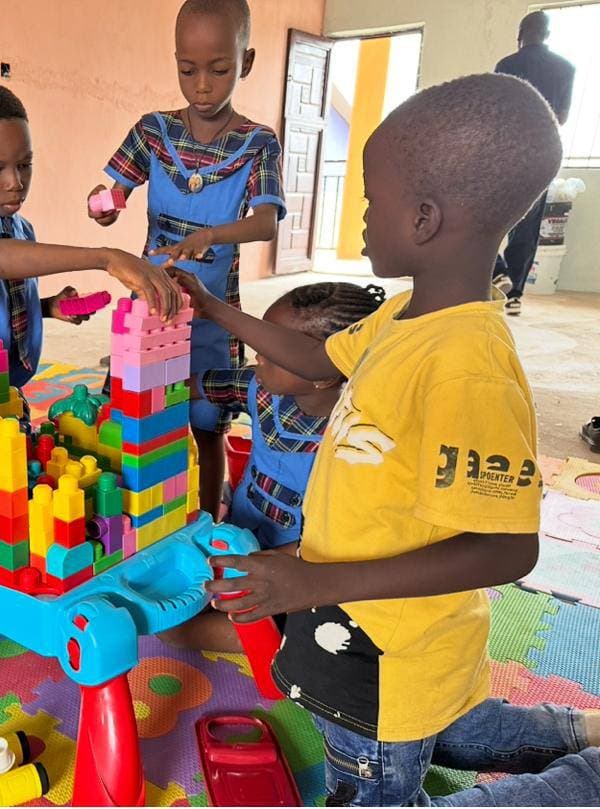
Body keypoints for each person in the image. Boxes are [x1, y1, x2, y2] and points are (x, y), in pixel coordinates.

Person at [175, 73, 600, 806]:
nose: (362, 217)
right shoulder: (408, 313)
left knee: (383, 777)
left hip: (389, 654)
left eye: (373, 200)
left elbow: (507, 547)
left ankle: (580, 781)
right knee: (456, 729)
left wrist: (314, 580)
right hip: (366, 631)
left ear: (426, 218)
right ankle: (574, 732)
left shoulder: (468, 365)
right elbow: (316, 357)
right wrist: (212, 306)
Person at [87, 0, 285, 515]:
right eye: (187, 69)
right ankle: (129, 513)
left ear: (245, 62)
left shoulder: (258, 142)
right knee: (134, 411)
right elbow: (115, 193)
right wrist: (106, 207)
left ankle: (206, 515)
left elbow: (265, 221)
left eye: (218, 70)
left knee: (206, 420)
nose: (202, 85)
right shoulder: (153, 131)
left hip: (213, 312)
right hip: (152, 303)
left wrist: (212, 234)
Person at [163, 282, 385, 652]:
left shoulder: (357, 439)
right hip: (237, 539)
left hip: (297, 568)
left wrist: (261, 565)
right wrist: (148, 385)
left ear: (323, 373)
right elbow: (200, 386)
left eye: (272, 350)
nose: (258, 355)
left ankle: (291, 644)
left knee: (179, 631)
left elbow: (345, 540)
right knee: (170, 610)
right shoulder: (262, 387)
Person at [0, 81, 182, 391]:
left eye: (24, 165)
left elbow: (2, 300)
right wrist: (105, 258)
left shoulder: (22, 229)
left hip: (5, 391)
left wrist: (47, 307)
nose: (15, 182)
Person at [492, 10, 575, 315]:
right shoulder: (565, 68)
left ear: (520, 34)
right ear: (548, 35)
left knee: (487, 216)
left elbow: (497, 112)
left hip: (507, 151)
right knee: (526, 227)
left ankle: (496, 272)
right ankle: (513, 294)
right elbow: (562, 117)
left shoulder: (508, 65)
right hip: (543, 152)